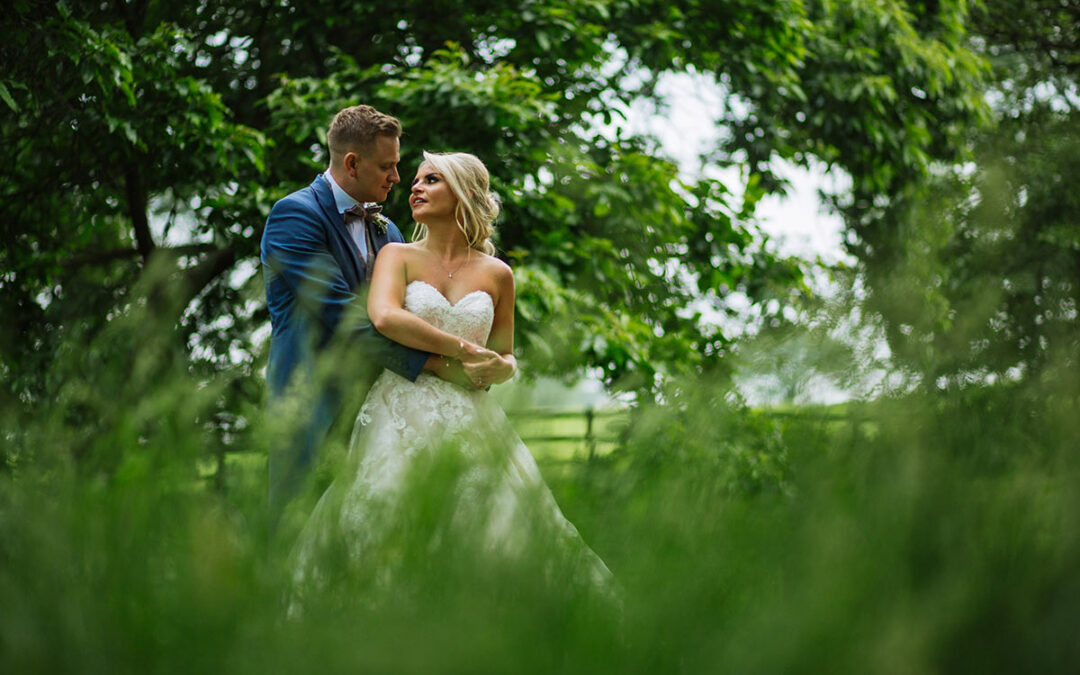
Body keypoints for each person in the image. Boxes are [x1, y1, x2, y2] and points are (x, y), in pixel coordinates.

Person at [289, 151, 613, 604]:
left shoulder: (498, 273)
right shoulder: (396, 255)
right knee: (388, 521)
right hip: (400, 409)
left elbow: (504, 355)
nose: (414, 187)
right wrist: (461, 350)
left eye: (432, 179)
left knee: (494, 530)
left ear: (463, 192)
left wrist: (502, 367)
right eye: (416, 179)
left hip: (474, 420)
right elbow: (383, 318)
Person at [260, 105, 512, 530]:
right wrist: (441, 366)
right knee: (297, 534)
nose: (398, 178)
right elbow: (348, 318)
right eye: (389, 166)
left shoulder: (388, 232)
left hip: (381, 410)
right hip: (314, 405)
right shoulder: (295, 215)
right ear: (352, 163)